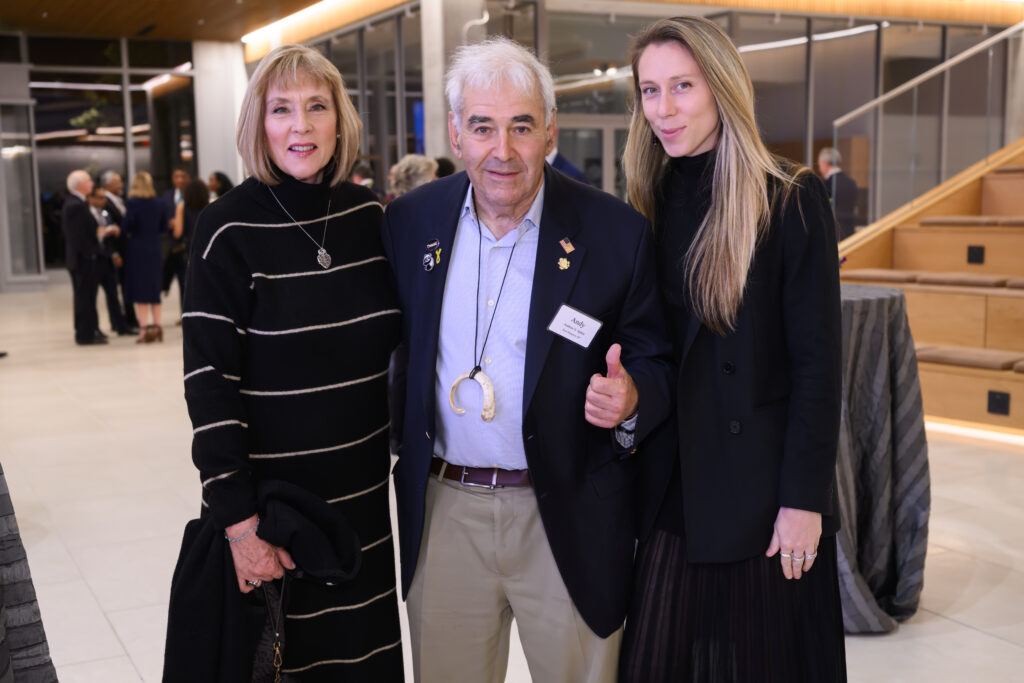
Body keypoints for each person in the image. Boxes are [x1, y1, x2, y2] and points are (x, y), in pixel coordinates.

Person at [383, 36, 672, 683]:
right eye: (483, 127)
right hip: (445, 508)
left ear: (550, 132)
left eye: (521, 127)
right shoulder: (410, 223)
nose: (503, 151)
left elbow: (656, 355)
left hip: (565, 508)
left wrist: (632, 398)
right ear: (456, 133)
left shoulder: (614, 232)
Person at [619, 17, 847, 683]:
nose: (663, 109)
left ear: (720, 87)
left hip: (764, 499)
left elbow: (818, 365)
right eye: (650, 90)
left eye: (682, 86)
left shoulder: (789, 196)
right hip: (672, 488)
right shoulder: (644, 202)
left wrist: (804, 501)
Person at [169, 43, 403, 680]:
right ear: (258, 125)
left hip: (362, 511)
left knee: (365, 666)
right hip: (275, 523)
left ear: (339, 120)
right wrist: (240, 527)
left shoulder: (369, 219)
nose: (300, 126)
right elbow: (208, 384)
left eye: (316, 107)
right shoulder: (225, 230)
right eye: (281, 109)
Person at [123, 172, 170, 343]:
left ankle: (143, 329)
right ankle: (157, 328)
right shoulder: (160, 203)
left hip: (137, 248)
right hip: (154, 248)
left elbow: (127, 226)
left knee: (140, 291)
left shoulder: (132, 203)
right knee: (153, 289)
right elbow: (164, 227)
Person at [61, 170, 106, 345]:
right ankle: (85, 334)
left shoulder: (78, 203)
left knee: (87, 297)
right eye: (88, 181)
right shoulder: (75, 205)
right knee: (84, 298)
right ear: (79, 184)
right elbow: (78, 237)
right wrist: (92, 254)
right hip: (83, 261)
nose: (91, 184)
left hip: (82, 259)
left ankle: (89, 330)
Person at [86, 184, 132, 336]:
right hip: (93, 259)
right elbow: (90, 235)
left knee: (113, 294)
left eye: (104, 197)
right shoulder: (87, 213)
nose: (103, 200)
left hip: (106, 258)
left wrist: (114, 254)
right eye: (100, 197)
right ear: (91, 198)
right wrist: (104, 231)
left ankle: (120, 325)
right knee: (91, 297)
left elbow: (110, 240)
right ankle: (94, 328)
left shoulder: (105, 213)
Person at [101, 170, 139, 331]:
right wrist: (115, 253)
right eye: (117, 182)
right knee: (116, 288)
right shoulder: (105, 202)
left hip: (127, 249)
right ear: (108, 184)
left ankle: (130, 319)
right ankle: (119, 322)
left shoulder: (119, 200)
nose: (121, 184)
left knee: (126, 285)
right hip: (117, 250)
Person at [165, 179, 208, 316]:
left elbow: (178, 232)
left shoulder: (182, 207)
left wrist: (172, 224)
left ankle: (187, 314)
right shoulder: (209, 206)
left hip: (187, 249)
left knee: (186, 283)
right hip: (206, 246)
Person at [818, 146, 858, 241]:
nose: (819, 169)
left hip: (831, 234)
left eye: (819, 164)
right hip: (849, 233)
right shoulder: (851, 182)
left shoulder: (826, 184)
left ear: (824, 164)